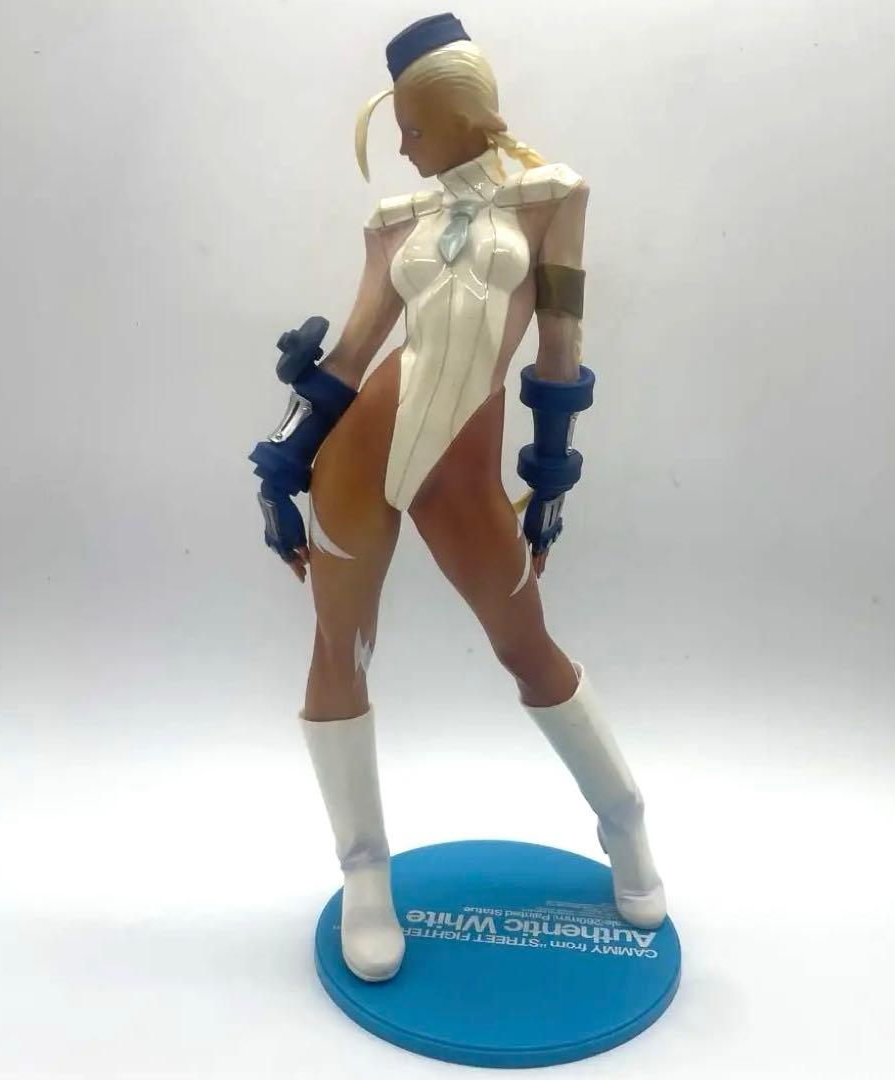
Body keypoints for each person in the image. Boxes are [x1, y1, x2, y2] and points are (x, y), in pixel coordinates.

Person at [250, 13, 667, 983]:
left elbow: (558, 352)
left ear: (452, 114)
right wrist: (282, 460)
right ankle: (365, 872)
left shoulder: (553, 197)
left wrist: (550, 482)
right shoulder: (395, 219)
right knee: (338, 648)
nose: (402, 147)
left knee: (527, 645)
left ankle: (625, 821)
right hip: (361, 449)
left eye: (410, 126)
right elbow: (352, 354)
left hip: (461, 464)